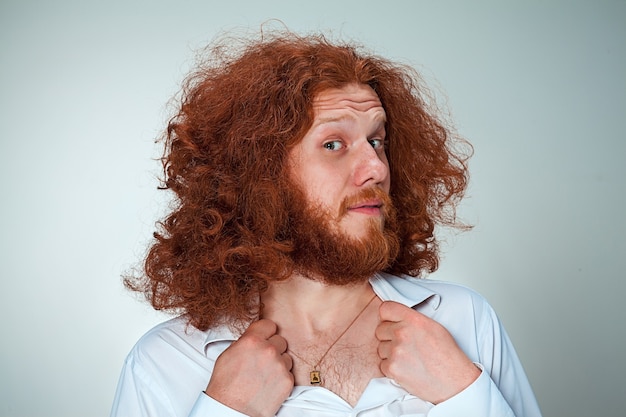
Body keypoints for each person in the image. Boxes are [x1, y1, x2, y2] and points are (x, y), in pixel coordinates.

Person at [111, 31, 542, 417]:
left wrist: (463, 394)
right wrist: (226, 410)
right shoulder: (163, 362)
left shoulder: (465, 321)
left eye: (377, 140)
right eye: (334, 144)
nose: (375, 167)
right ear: (262, 175)